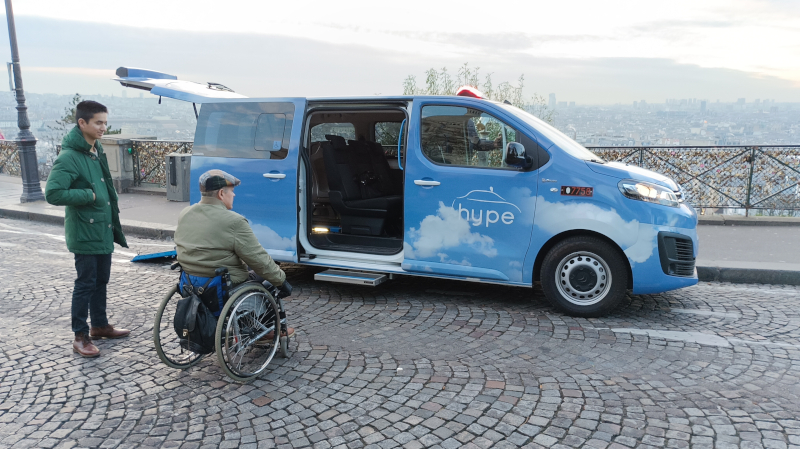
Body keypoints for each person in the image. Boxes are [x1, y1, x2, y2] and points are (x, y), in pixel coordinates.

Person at [45, 100, 130, 358]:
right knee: (85, 283)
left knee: (101, 280)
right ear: (82, 123)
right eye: (98, 122)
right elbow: (53, 193)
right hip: (85, 231)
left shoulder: (95, 148)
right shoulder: (70, 156)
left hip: (101, 229)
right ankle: (80, 336)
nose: (104, 127)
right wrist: (89, 195)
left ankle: (100, 325)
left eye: (105, 122)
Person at [174, 169, 294, 338]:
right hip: (220, 287)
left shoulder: (185, 213)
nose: (234, 195)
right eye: (232, 191)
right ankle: (266, 329)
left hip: (189, 282)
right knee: (268, 277)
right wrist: (281, 281)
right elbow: (258, 259)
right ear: (222, 193)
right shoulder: (234, 221)